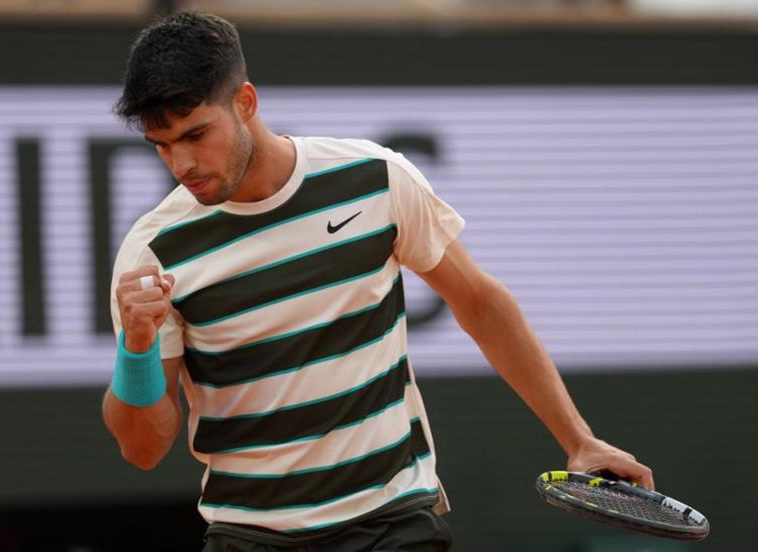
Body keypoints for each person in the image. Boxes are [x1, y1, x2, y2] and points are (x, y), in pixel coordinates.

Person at [102, 12, 655, 552]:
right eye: (163, 144)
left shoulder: (374, 179)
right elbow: (142, 448)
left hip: (391, 520)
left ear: (245, 103)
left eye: (196, 134)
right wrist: (138, 348)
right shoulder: (152, 252)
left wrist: (578, 440)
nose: (181, 163)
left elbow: (480, 304)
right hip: (251, 535)